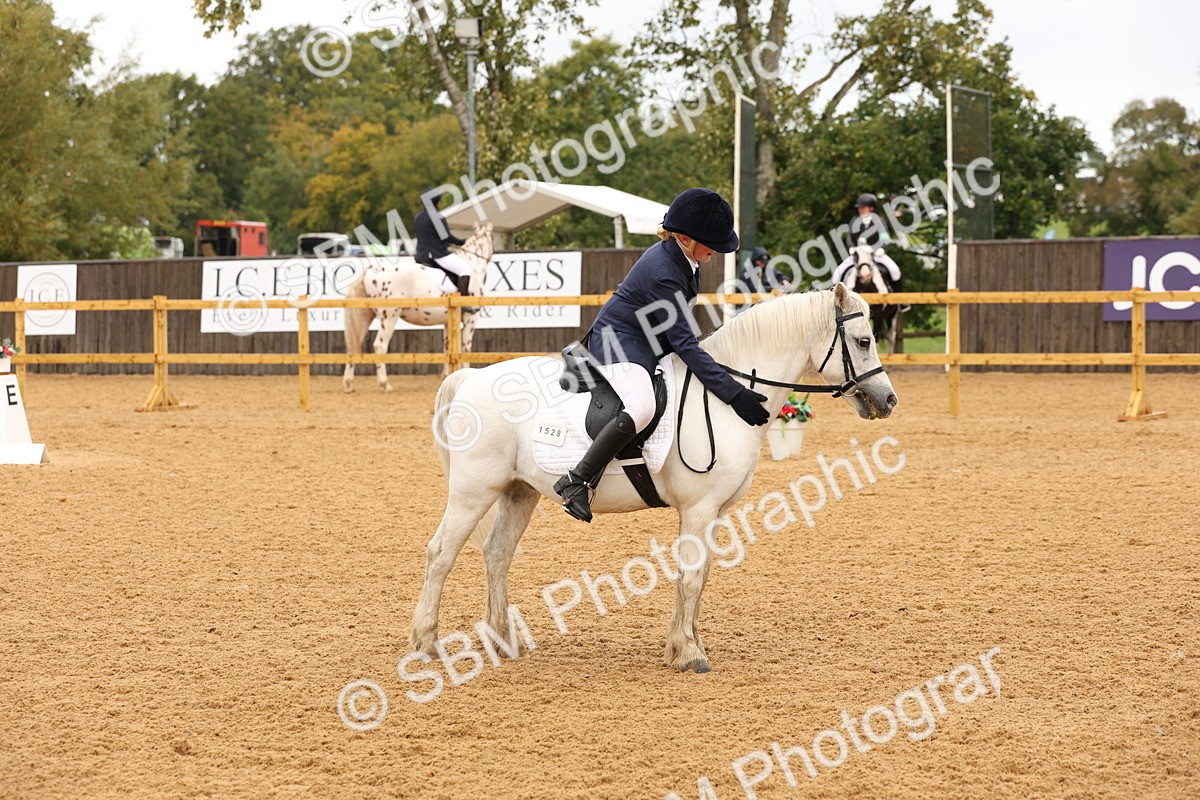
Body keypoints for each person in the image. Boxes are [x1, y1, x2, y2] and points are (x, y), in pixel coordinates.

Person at [553, 188, 771, 523]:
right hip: (619, 343)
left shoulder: (686, 259)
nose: (715, 250)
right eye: (710, 243)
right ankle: (577, 480)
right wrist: (733, 393)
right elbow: (685, 343)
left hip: (649, 340)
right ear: (685, 238)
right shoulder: (665, 271)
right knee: (642, 407)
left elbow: (680, 333)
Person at [833, 193, 904, 296]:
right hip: (858, 254)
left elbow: (884, 237)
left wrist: (882, 248)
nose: (860, 210)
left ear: (871, 208)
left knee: (895, 270)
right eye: (859, 208)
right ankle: (835, 299)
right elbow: (849, 237)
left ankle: (900, 301)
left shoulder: (879, 221)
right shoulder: (854, 221)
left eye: (863, 207)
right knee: (837, 273)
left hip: (875, 253)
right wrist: (851, 247)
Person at [413, 190, 473, 296]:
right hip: (436, 254)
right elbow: (446, 237)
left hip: (419, 255)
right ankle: (463, 303)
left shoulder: (418, 217)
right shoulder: (437, 216)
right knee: (465, 269)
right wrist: (461, 242)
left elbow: (429, 236)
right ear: (436, 203)